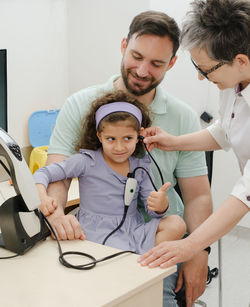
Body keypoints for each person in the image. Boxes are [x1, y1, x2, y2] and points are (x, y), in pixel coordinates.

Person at [43, 11, 212, 307]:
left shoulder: (183, 116)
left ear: (172, 63)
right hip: (101, 236)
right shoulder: (80, 104)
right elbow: (57, 174)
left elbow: (197, 196)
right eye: (136, 56)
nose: (143, 70)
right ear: (123, 45)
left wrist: (199, 251)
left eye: (157, 64)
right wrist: (55, 215)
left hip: (161, 245)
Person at [138, 0, 250, 271]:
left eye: (206, 70)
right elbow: (225, 131)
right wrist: (174, 142)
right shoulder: (233, 82)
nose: (201, 78)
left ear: (241, 61)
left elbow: (245, 192)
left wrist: (191, 245)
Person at [34, 91, 186, 254]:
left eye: (127, 138)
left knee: (177, 224)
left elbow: (152, 212)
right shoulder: (86, 161)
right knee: (114, 250)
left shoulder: (141, 166)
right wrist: (41, 196)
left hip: (132, 228)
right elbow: (44, 173)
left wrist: (160, 206)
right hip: (95, 231)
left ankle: (140, 262)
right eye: (111, 139)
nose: (119, 147)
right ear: (100, 136)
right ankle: (135, 261)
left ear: (139, 136)